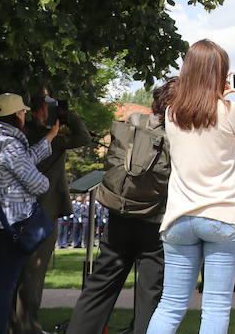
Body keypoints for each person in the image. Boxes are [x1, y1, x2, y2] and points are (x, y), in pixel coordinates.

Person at [145, 40, 235, 334]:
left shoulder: (172, 113)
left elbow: (201, 120)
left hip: (180, 218)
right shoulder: (229, 111)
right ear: (220, 72)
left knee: (170, 305)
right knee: (215, 306)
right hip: (225, 216)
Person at [68, 80, 175, 334]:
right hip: (155, 218)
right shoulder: (177, 135)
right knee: (150, 291)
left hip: (120, 211)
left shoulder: (133, 123)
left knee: (101, 283)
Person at [0, 93, 57, 334]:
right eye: (21, 112)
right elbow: (37, 183)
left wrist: (48, 138)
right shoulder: (8, 143)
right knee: (4, 286)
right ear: (14, 115)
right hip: (11, 224)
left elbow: (23, 161)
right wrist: (44, 181)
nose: (24, 115)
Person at [11, 92, 91, 334]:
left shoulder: (22, 135)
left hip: (20, 210)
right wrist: (68, 116)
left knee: (17, 271)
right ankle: (27, 326)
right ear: (41, 111)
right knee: (34, 273)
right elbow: (83, 137)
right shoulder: (48, 138)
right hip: (44, 210)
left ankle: (13, 324)